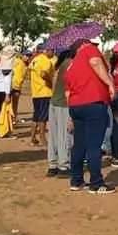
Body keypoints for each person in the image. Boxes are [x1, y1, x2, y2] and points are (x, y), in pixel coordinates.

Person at [65, 40, 116, 194]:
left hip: (76, 106)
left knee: (79, 144)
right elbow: (96, 63)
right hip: (94, 102)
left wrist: (70, 116)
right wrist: (109, 84)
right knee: (94, 145)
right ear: (83, 45)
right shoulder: (89, 51)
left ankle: (76, 180)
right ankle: (96, 182)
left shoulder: (70, 66)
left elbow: (67, 93)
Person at [45, 49, 75, 178]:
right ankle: (63, 165)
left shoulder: (60, 66)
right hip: (64, 104)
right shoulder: (70, 64)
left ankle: (52, 165)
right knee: (65, 135)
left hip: (54, 103)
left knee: (54, 135)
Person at [29, 46, 56, 148]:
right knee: (43, 118)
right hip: (45, 92)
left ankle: (32, 138)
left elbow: (30, 71)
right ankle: (43, 139)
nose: (53, 52)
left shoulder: (35, 59)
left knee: (36, 116)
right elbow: (43, 74)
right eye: (52, 50)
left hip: (36, 92)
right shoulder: (45, 60)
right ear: (46, 50)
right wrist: (51, 82)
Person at [0, 47, 17, 138]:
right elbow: (7, 80)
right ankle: (4, 131)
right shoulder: (7, 65)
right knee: (4, 112)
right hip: (4, 91)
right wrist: (7, 94)